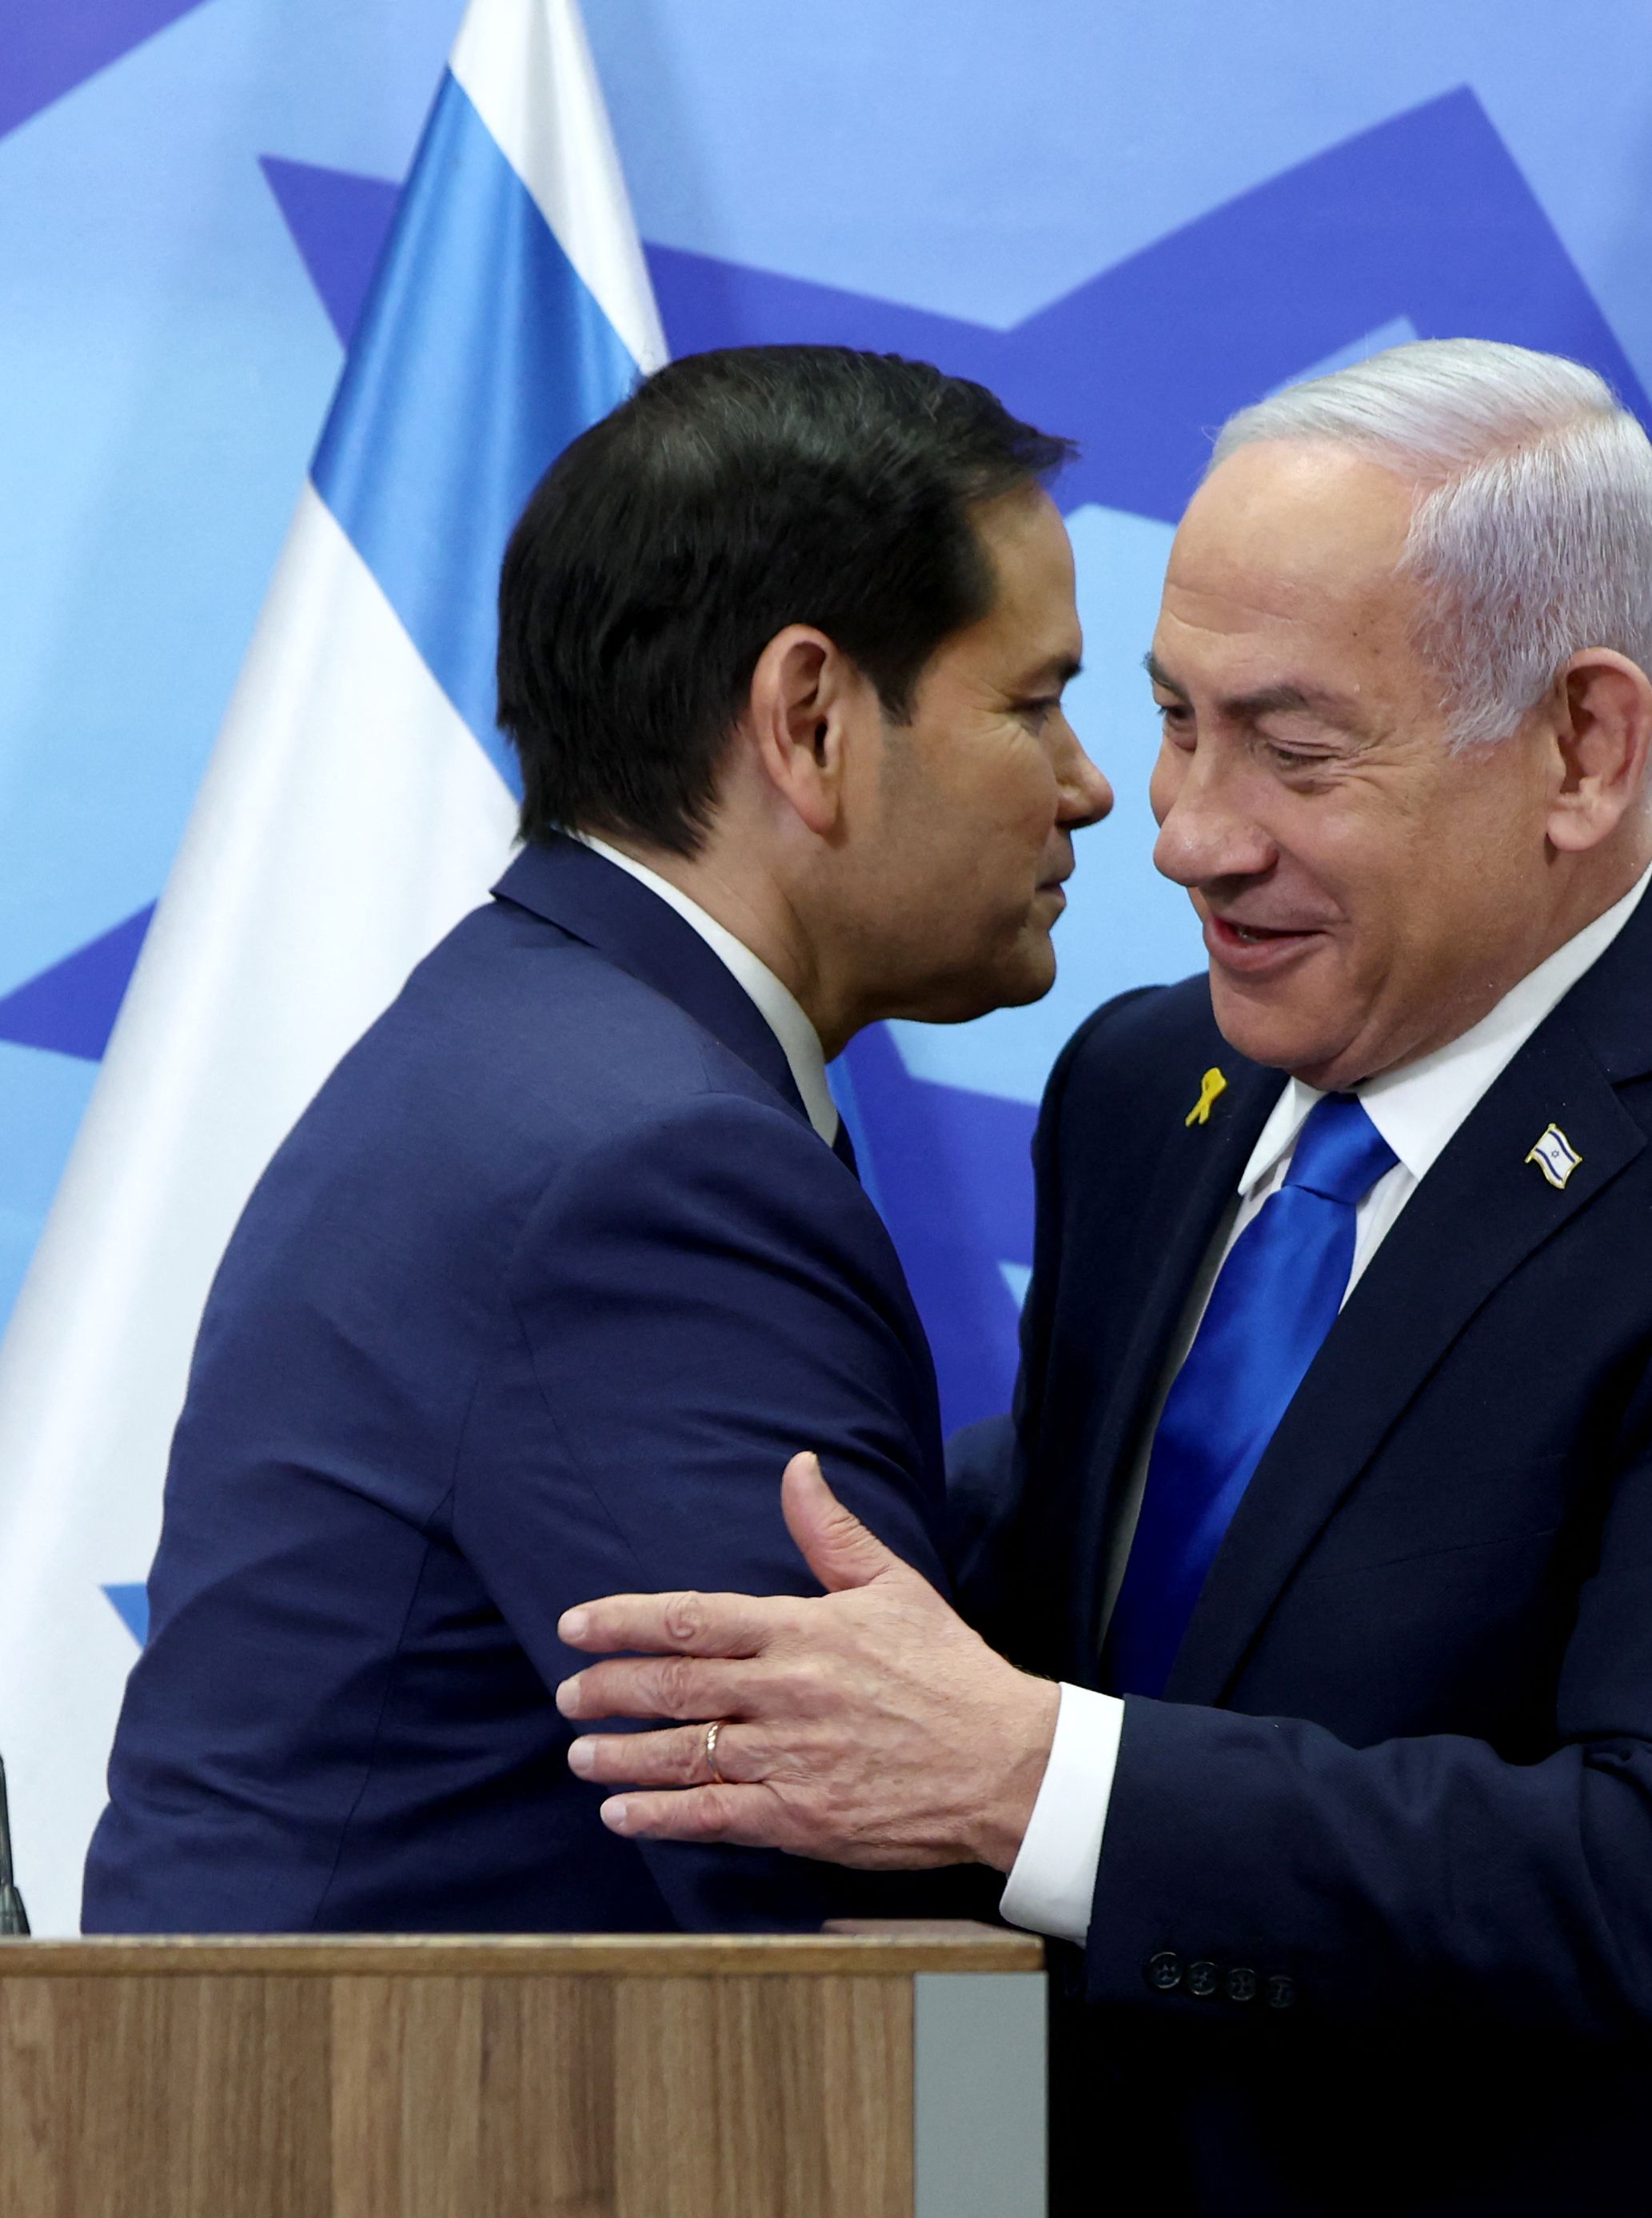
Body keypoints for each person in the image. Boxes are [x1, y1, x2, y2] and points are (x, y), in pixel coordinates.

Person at [549, 339, 1652, 2212]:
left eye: (1295, 745)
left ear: (1581, 749)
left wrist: (1035, 1778)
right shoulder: (1147, 1091)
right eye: (1177, 715)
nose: (1188, 830)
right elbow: (1153, 1574)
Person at [82, 345, 1111, 1933]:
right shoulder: (650, 1166)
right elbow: (846, 1902)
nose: (1089, 786)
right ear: (811, 720)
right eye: (1033, 704)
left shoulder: (536, 1039)